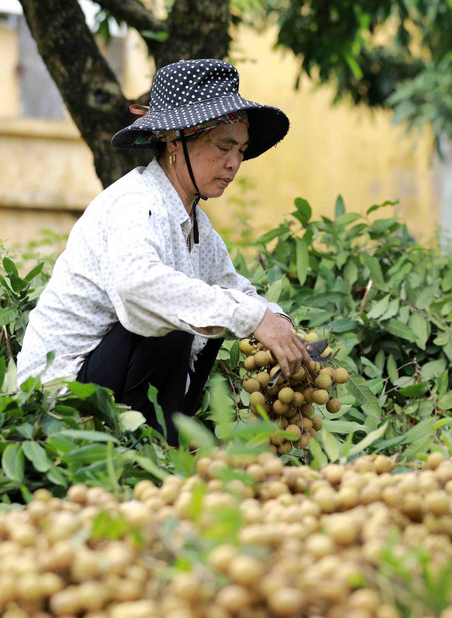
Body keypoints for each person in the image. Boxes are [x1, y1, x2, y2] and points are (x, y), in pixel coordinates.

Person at [17, 59, 311, 444]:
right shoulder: (135, 203)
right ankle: (146, 451)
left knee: (206, 311)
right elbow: (136, 286)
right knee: (173, 317)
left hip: (109, 387)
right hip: (58, 402)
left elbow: (232, 288)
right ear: (175, 142)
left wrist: (277, 321)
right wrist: (251, 317)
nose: (234, 163)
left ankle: (161, 453)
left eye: (240, 150)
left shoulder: (194, 223)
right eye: (224, 147)